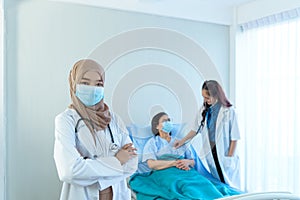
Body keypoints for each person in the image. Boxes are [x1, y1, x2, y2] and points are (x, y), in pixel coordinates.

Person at [53, 59, 138, 200]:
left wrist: (89, 167)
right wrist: (117, 161)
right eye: (85, 83)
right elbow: (69, 170)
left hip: (118, 194)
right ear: (73, 85)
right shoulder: (66, 120)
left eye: (98, 84)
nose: (92, 89)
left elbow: (132, 163)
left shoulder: (114, 119)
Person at [129, 112, 241, 200]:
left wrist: (187, 162)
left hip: (186, 170)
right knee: (183, 185)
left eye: (169, 120)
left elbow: (193, 160)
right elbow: (151, 164)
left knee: (203, 182)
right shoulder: (153, 143)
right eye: (164, 121)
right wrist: (173, 163)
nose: (168, 122)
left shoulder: (179, 142)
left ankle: (216, 197)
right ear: (157, 126)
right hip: (165, 172)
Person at [174, 80, 241, 189]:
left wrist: (229, 157)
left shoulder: (229, 111)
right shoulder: (204, 110)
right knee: (220, 187)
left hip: (225, 155)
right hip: (212, 154)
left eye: (207, 97)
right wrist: (181, 141)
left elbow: (235, 138)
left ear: (216, 95)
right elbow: (195, 130)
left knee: (232, 188)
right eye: (203, 97)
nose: (205, 100)